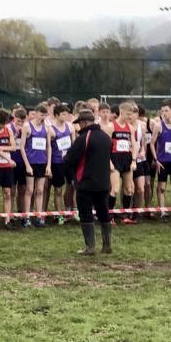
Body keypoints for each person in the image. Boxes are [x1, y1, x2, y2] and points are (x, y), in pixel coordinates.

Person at [62, 109, 113, 255]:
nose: (78, 128)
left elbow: (70, 159)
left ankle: (90, 247)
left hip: (86, 182)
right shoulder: (105, 137)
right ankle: (107, 245)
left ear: (84, 123)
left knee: (85, 213)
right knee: (104, 212)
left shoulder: (84, 138)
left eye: (79, 124)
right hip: (103, 182)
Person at [20, 104, 51, 227]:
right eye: (41, 114)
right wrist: (27, 164)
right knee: (29, 190)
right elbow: (22, 146)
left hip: (42, 162)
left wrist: (48, 165)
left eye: (45, 115)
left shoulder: (46, 128)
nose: (43, 117)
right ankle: (26, 217)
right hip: (31, 162)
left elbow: (49, 147)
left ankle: (39, 217)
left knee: (40, 190)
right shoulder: (27, 126)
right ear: (36, 113)